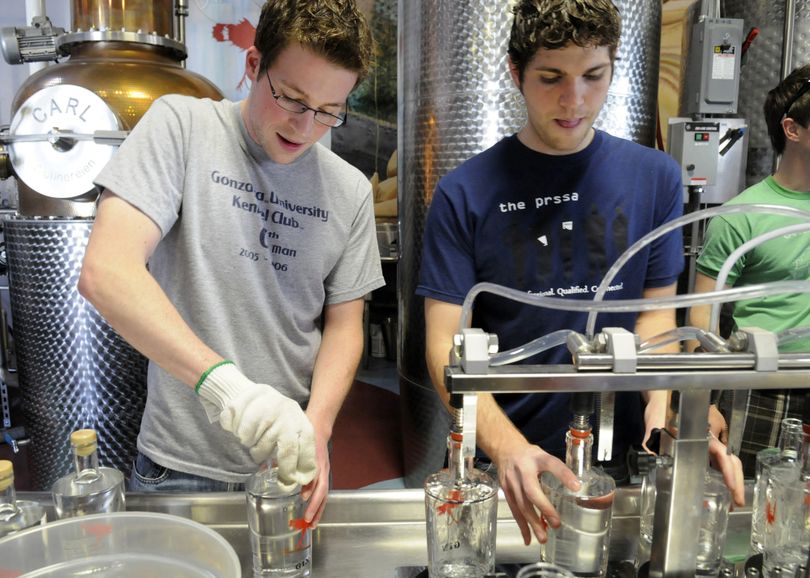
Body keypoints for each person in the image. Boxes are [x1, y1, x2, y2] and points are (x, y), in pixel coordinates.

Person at [417, 0, 744, 546]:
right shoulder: (464, 193)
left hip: (616, 460)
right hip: (507, 458)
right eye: (551, 78)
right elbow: (442, 348)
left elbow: (656, 324)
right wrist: (506, 448)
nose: (575, 100)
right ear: (515, 72)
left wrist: (670, 426)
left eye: (594, 76)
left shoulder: (654, 179)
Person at [78, 0, 384, 527]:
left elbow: (345, 325)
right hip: (179, 465)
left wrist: (318, 427)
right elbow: (107, 270)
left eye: (330, 110)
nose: (306, 126)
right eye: (291, 97)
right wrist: (231, 392)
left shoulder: (350, 190)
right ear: (252, 64)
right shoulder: (182, 127)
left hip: (286, 463)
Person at [689, 64, 810, 476]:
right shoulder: (742, 217)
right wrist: (704, 404)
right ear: (792, 129)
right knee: (752, 507)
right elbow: (701, 318)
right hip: (763, 390)